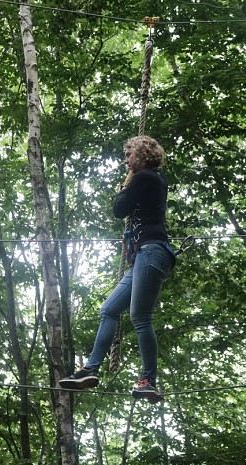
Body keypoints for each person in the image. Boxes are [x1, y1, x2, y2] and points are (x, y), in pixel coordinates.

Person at [59, 135, 174, 403]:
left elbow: (119, 209)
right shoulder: (151, 179)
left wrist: (127, 182)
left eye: (128, 155)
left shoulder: (146, 178)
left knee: (140, 317)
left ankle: (148, 380)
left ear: (142, 155)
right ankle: (91, 369)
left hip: (152, 251)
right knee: (109, 310)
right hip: (143, 257)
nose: (125, 160)